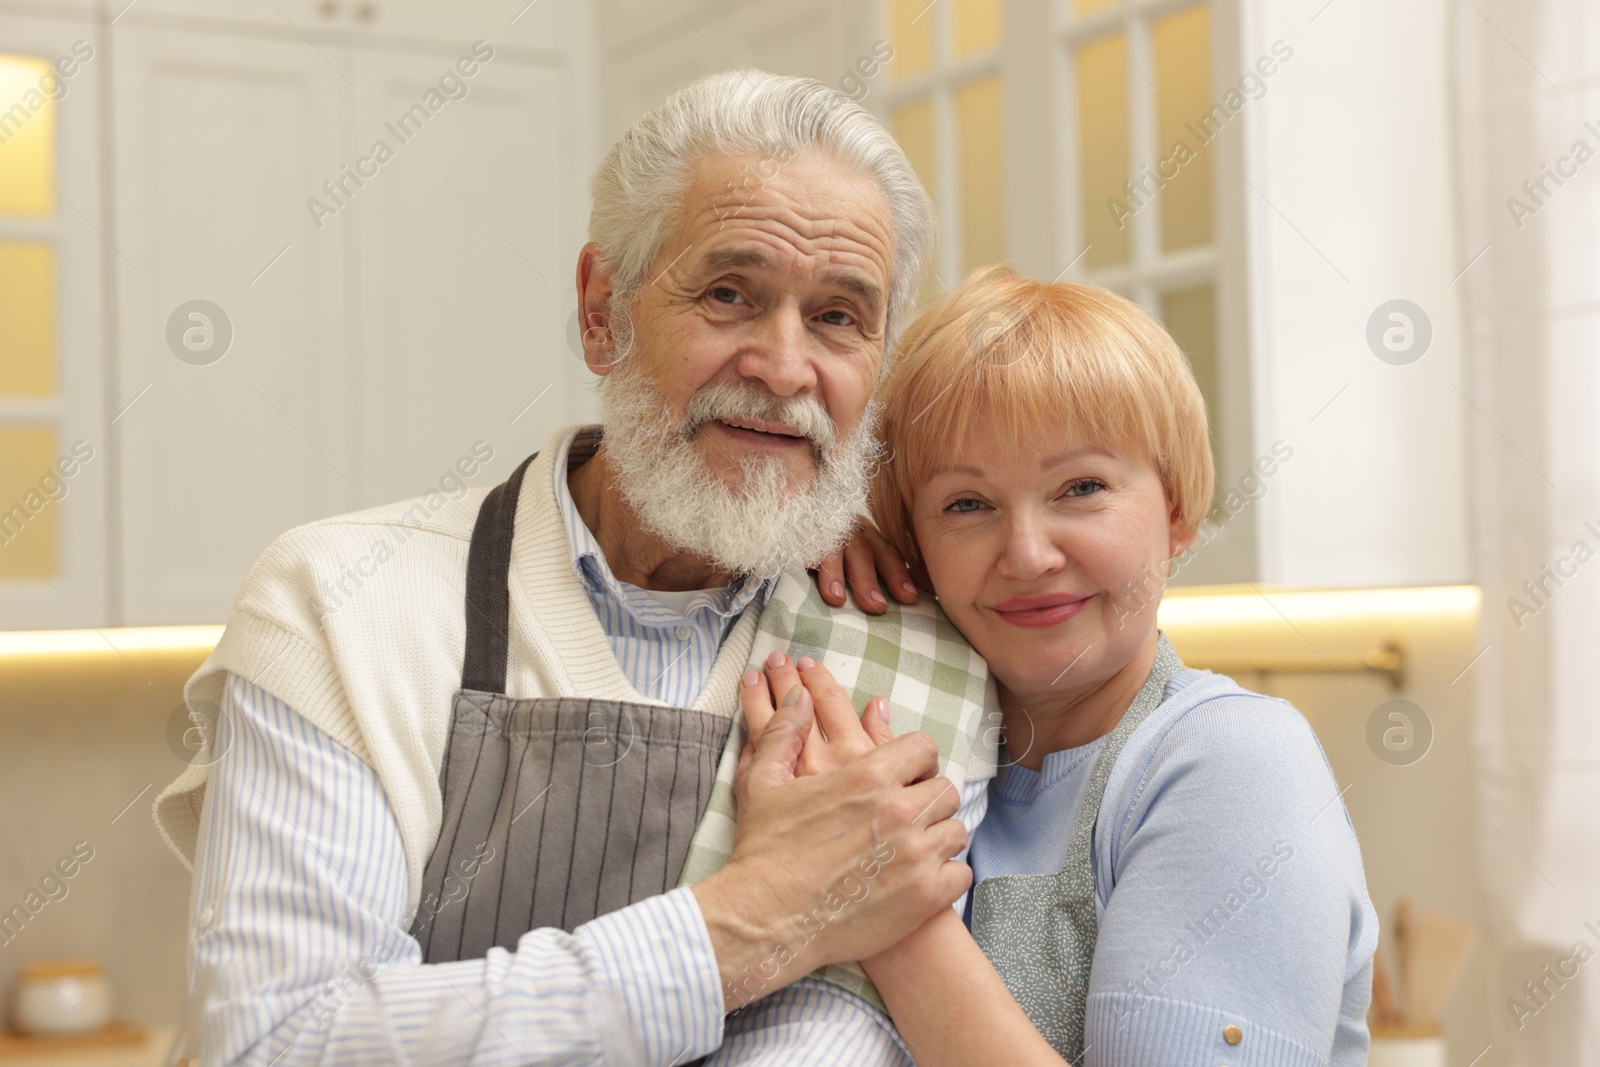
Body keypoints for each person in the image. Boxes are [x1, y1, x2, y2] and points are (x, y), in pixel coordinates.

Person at [150, 70, 989, 1066]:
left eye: (839, 317)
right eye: (729, 294)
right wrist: (752, 919)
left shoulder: (911, 654)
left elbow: (847, 1026)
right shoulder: (341, 602)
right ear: (602, 310)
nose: (783, 364)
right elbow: (279, 1041)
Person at [758, 265, 1381, 1065]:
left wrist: (878, 899)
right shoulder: (927, 742)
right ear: (914, 542)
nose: (1026, 553)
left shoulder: (1236, 760)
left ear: (1179, 513)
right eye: (966, 505)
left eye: (1081, 487)